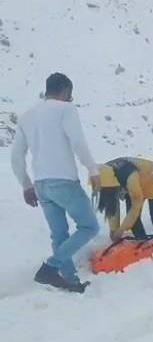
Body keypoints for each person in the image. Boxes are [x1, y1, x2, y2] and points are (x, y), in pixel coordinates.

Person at [10, 73, 101, 293]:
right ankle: (51, 267)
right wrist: (93, 169)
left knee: (59, 234)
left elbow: (16, 156)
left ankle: (69, 280)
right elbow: (78, 141)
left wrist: (26, 184)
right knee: (89, 226)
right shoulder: (66, 110)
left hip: (41, 185)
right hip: (64, 182)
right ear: (65, 92)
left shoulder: (27, 116)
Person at [96, 157, 153, 243]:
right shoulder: (103, 175)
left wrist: (121, 230)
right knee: (134, 222)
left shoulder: (127, 175)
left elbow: (135, 207)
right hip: (135, 183)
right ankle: (142, 244)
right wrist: (114, 230)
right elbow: (111, 204)